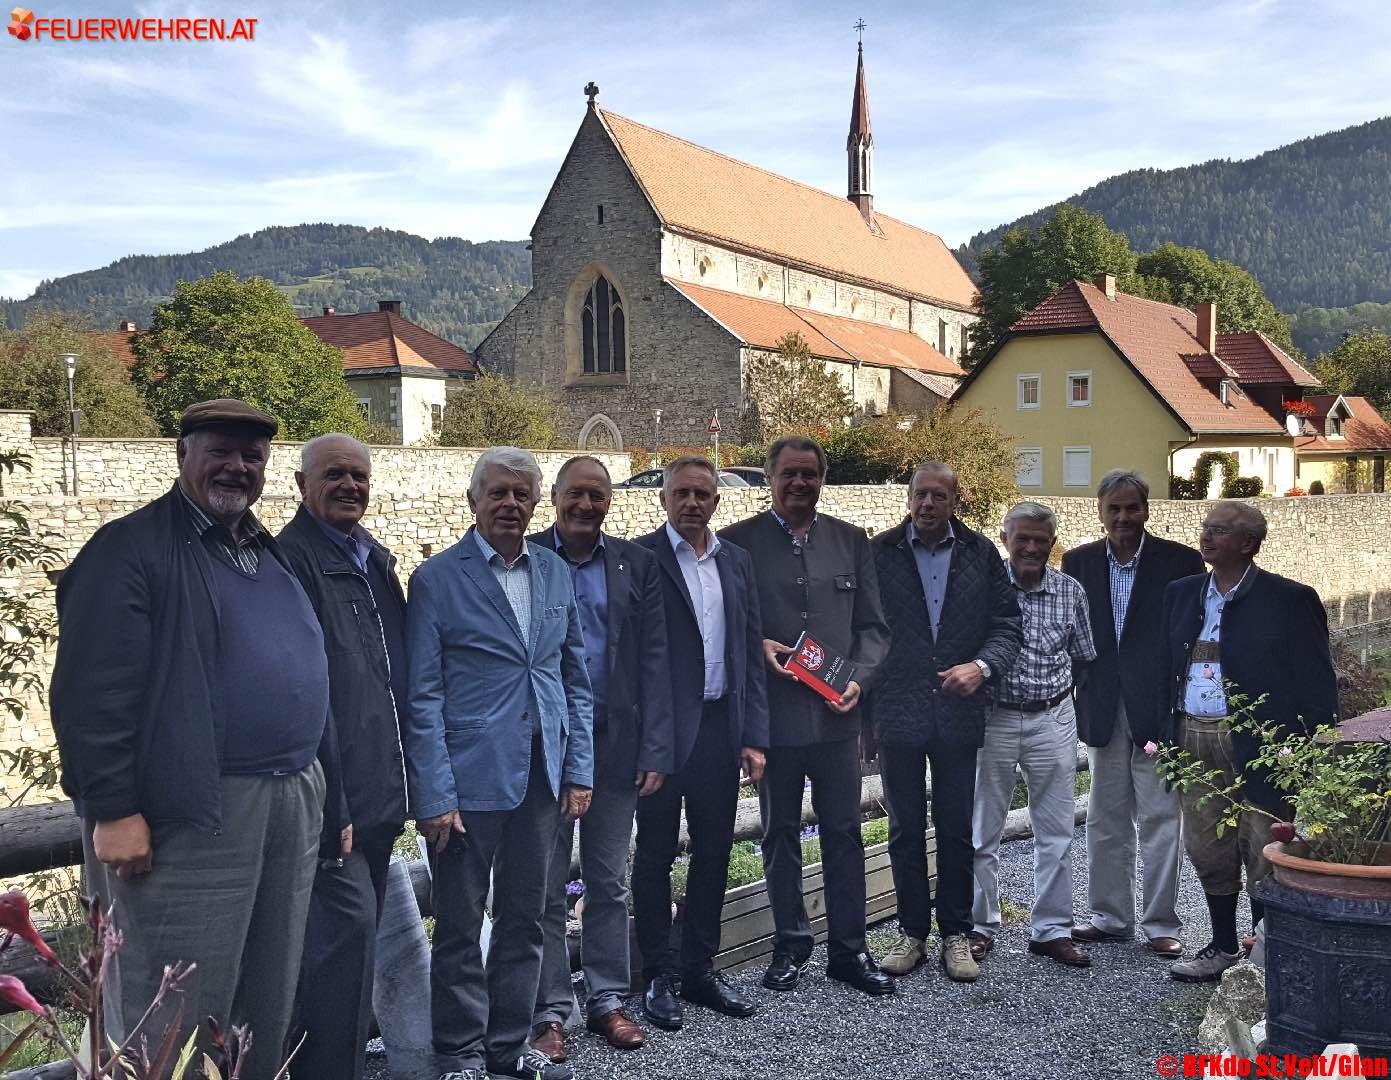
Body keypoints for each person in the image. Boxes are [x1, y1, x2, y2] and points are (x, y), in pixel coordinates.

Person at [50, 399, 339, 1080]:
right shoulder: (129, 549)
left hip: (287, 801)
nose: (237, 466)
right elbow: (91, 693)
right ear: (182, 454)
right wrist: (113, 809)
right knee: (171, 1007)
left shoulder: (262, 550)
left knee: (262, 1002)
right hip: (192, 813)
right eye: (220, 451)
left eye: (251, 456)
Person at [404, 447, 594, 1080]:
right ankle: (459, 1055)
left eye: (521, 494)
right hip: (468, 781)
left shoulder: (554, 571)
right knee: (460, 926)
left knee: (526, 920)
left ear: (536, 502)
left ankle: (508, 1049)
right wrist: (434, 795)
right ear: (473, 501)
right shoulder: (435, 579)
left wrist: (579, 769)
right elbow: (422, 695)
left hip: (542, 775)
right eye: (498, 493)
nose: (510, 503)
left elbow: (574, 678)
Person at [720, 436, 893, 997]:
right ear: (769, 478)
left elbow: (874, 628)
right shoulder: (737, 544)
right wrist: (757, 646)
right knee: (779, 832)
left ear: (822, 479)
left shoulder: (850, 540)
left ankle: (850, 949)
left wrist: (859, 680)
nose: (799, 483)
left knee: (844, 832)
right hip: (774, 719)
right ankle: (790, 944)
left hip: (838, 719)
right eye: (789, 474)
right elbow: (721, 625)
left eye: (809, 474)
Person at [528, 456, 673, 1060]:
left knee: (609, 882)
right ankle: (550, 1010)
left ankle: (607, 999)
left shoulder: (636, 563)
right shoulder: (527, 557)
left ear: (610, 500)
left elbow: (656, 658)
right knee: (543, 886)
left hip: (615, 744)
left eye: (597, 494)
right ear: (555, 497)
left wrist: (655, 745)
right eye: (576, 494)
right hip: (546, 746)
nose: (586, 505)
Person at [277, 434, 409, 1080]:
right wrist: (333, 806)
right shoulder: (291, 562)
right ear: (302, 484)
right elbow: (302, 694)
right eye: (334, 475)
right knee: (336, 951)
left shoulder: (370, 559)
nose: (349, 486)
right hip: (335, 805)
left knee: (351, 950)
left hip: (376, 795)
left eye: (358, 475)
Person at [1162, 500, 1337, 983]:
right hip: (1193, 734)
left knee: (1262, 843)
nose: (1207, 536)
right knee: (1205, 844)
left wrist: (1309, 745)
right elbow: (1165, 666)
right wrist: (1163, 730)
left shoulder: (1290, 598)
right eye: (1206, 528)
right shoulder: (1181, 594)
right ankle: (1221, 946)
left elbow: (1317, 681)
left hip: (1261, 740)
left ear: (1248, 544)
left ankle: (1263, 955)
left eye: (1220, 531)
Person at [868, 462, 1022, 983]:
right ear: (908, 498)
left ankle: (956, 933)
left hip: (959, 710)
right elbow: (862, 627)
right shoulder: (880, 553)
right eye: (920, 495)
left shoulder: (980, 553)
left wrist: (981, 667)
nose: (928, 504)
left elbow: (1007, 625)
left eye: (938, 496)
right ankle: (912, 934)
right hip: (899, 708)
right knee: (905, 827)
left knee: (956, 827)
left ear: (956, 501)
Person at [632, 456, 769, 1031]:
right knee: (655, 853)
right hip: (663, 733)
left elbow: (750, 651)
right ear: (663, 498)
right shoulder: (639, 558)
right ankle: (658, 974)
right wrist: (647, 741)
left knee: (715, 851)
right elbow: (632, 656)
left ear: (717, 500)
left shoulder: (735, 561)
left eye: (702, 494)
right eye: (681, 493)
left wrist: (754, 736)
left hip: (719, 727)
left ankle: (699, 969)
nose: (692, 502)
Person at [1063, 470, 1203, 960]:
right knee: (1105, 815)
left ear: (1147, 508)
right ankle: (1110, 918)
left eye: (1132, 507)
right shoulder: (1077, 562)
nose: (1123, 517)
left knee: (1162, 816)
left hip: (1158, 708)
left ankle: (1161, 923)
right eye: (1114, 508)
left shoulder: (1181, 562)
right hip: (1101, 704)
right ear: (1100, 512)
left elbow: (1189, 637)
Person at [972, 501, 1096, 968]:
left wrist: (1060, 705)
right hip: (994, 718)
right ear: (1004, 539)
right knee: (982, 828)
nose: (1030, 547)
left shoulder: (1070, 590)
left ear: (1052, 544)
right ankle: (980, 926)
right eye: (1021, 538)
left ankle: (1051, 930)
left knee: (1056, 831)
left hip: (1052, 717)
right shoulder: (983, 589)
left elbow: (1083, 656)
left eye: (1040, 540)